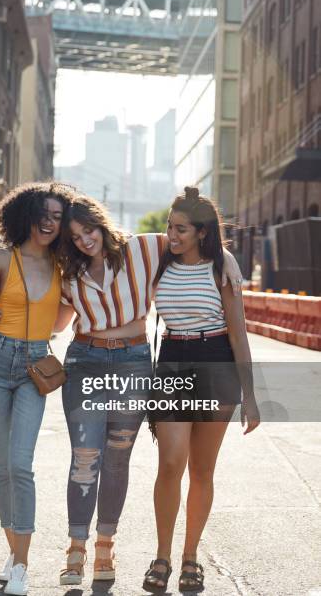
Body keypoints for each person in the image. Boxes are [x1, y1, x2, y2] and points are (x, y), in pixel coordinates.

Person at [54, 193, 244, 586]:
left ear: (101, 224)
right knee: (130, 461)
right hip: (131, 359)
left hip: (179, 361)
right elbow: (55, 319)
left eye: (88, 229)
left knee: (170, 465)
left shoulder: (146, 248)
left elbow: (198, 242)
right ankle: (117, 552)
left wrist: (228, 258)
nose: (84, 239)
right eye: (75, 236)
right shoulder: (78, 271)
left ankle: (169, 554)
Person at [142, 186, 260, 594]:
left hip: (217, 360)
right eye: (169, 227)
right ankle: (162, 555)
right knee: (170, 464)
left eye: (180, 229)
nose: (171, 235)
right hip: (173, 359)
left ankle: (191, 555)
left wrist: (251, 394)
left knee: (202, 469)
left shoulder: (221, 266)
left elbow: (240, 333)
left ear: (202, 233)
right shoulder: (158, 259)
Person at [0, 182, 72, 596]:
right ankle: (13, 551)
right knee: (1, 465)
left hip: (34, 369)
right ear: (25, 215)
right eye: (42, 214)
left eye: (57, 216)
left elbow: (58, 325)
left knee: (21, 464)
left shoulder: (64, 266)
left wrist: (74, 300)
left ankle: (22, 565)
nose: (48, 222)